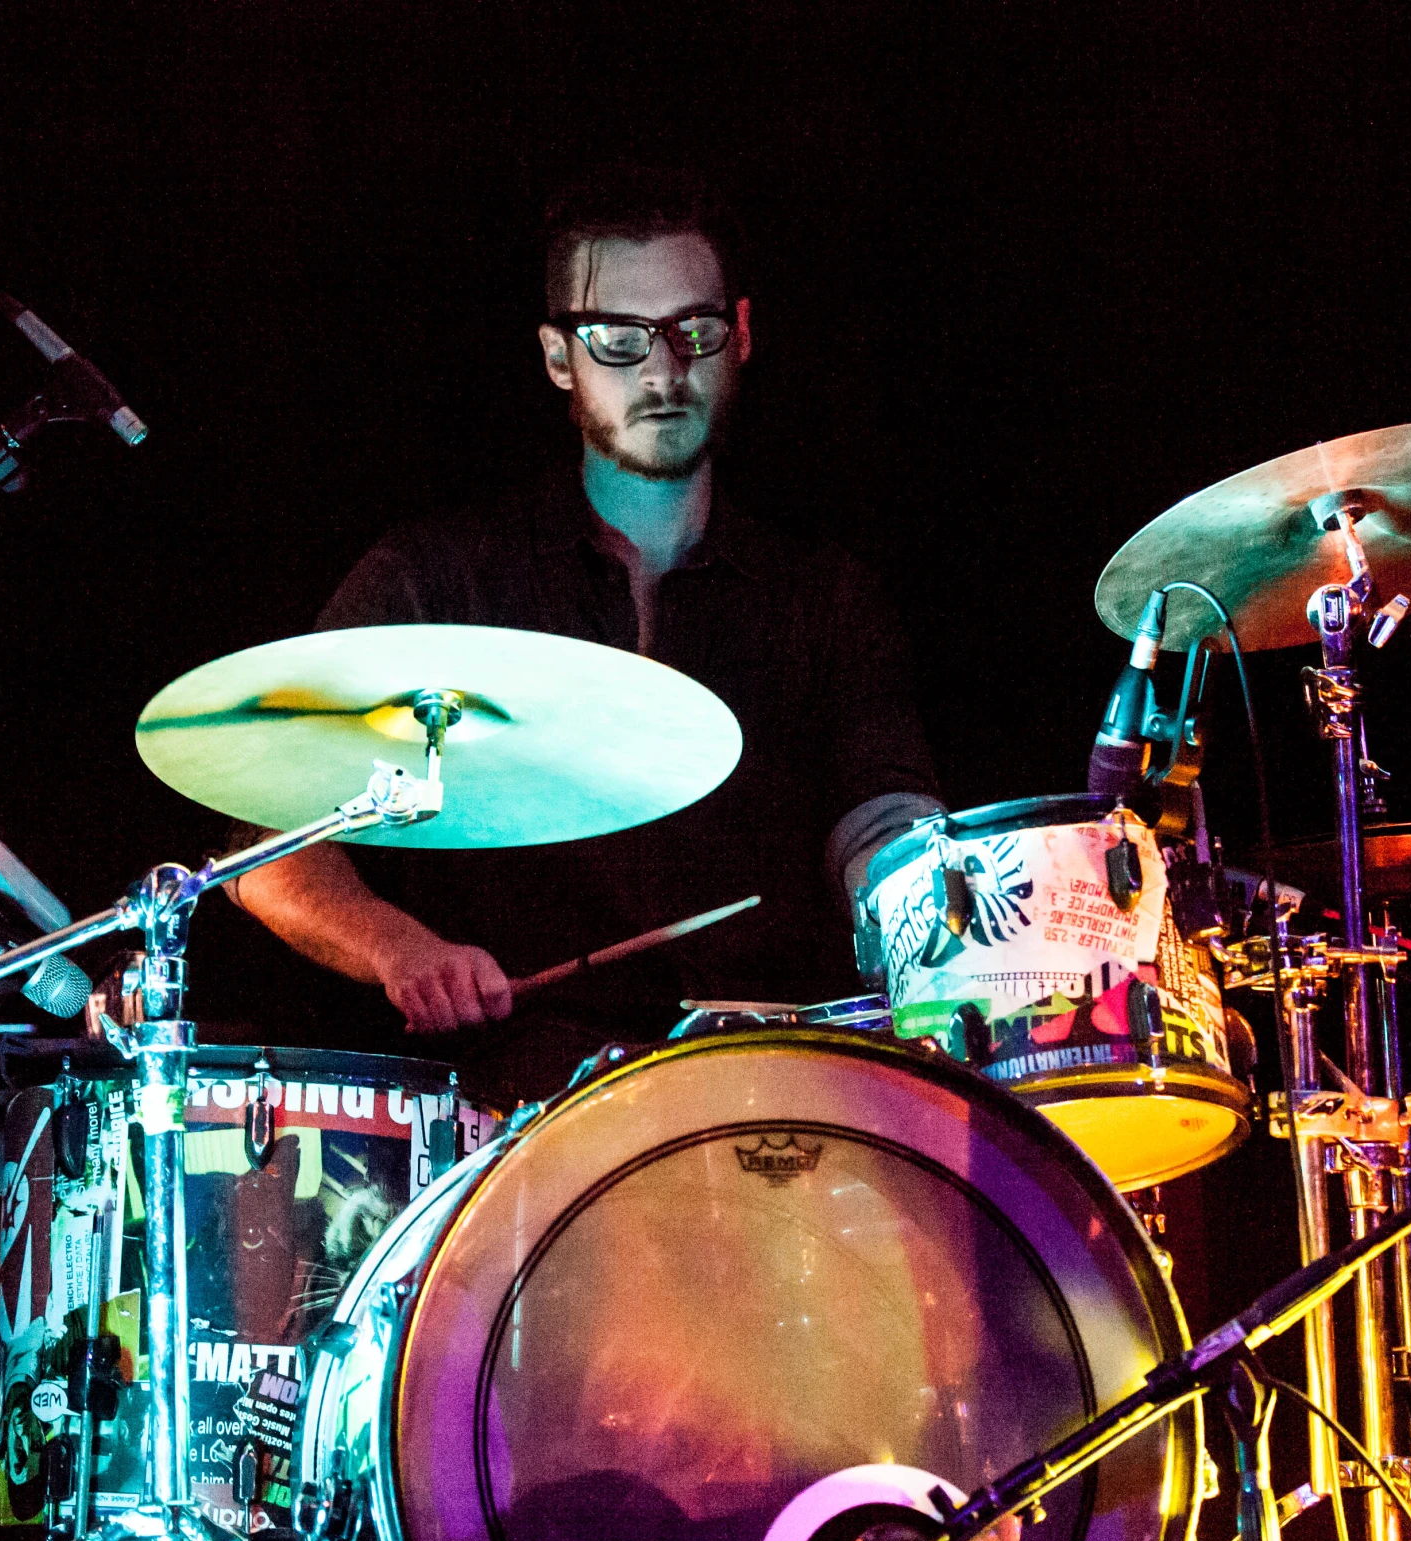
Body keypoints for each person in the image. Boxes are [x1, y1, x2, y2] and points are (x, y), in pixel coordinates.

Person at [232, 170, 940, 1102]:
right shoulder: (441, 578)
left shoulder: (825, 601)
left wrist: (917, 908)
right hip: (513, 1117)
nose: (662, 371)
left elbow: (885, 823)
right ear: (559, 359)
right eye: (618, 340)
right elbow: (264, 840)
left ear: (743, 334)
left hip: (777, 1096)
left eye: (694, 331)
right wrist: (396, 947)